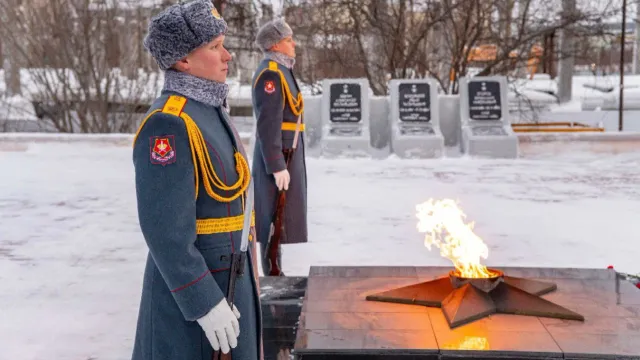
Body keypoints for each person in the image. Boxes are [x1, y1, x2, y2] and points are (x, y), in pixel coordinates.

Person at [130, 1, 261, 359]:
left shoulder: (208, 110)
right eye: (215, 47)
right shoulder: (170, 123)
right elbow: (165, 231)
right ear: (183, 60)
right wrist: (202, 301)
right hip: (197, 301)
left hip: (231, 280)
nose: (228, 55)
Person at [251, 18, 308, 276]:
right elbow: (268, 124)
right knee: (272, 218)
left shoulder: (282, 70)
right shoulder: (271, 74)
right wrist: (276, 165)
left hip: (289, 153)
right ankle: (273, 274)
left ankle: (276, 270)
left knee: (280, 216)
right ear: (275, 45)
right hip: (279, 156)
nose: (293, 43)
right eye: (288, 39)